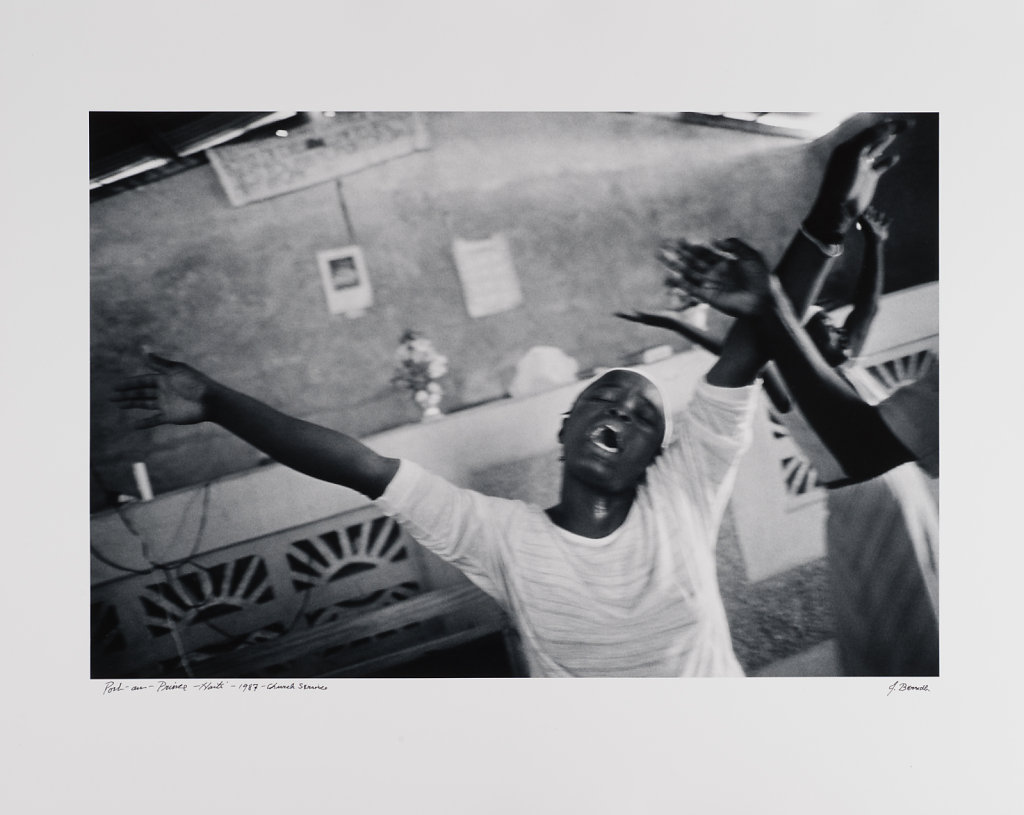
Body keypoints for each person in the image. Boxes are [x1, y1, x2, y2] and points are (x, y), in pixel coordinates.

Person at [112, 120, 905, 677]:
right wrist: (214, 399)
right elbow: (358, 464)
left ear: (660, 454)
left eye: (641, 417)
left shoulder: (685, 491)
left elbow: (756, 337)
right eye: (607, 400)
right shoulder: (500, 537)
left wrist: (830, 216)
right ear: (566, 426)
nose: (621, 414)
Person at [660, 205, 939, 676]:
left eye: (833, 325)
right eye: (822, 328)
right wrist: (677, 325)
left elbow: (867, 305)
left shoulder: (843, 369)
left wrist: (874, 244)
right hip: (862, 500)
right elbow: (742, 353)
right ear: (801, 345)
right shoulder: (788, 385)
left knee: (926, 607)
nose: (836, 329)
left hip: (895, 488)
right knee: (893, 631)